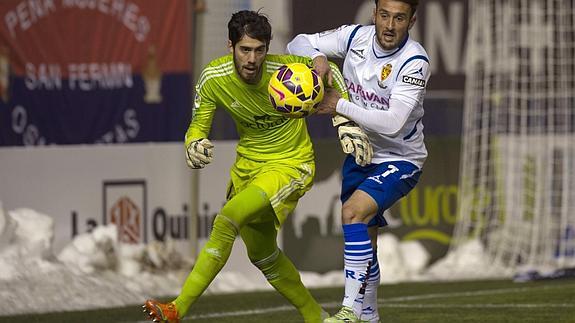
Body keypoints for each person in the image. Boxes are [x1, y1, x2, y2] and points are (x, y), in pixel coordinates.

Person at [142, 10, 368, 323]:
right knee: (262, 253)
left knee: (227, 219)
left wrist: (344, 120)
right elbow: (198, 125)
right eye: (245, 49)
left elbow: (331, 72)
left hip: (291, 165)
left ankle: (177, 308)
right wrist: (193, 143)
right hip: (247, 168)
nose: (252, 59)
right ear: (230, 46)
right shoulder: (213, 78)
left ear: (267, 49)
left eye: (259, 50)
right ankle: (316, 317)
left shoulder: (285, 69)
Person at [287, 0, 430, 322]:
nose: (390, 25)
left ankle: (349, 311)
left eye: (399, 18)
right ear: (374, 14)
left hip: (401, 159)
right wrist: (317, 58)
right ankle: (369, 316)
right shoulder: (355, 38)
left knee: (352, 214)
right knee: (367, 242)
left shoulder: (415, 61)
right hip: (360, 154)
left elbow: (393, 122)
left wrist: (339, 105)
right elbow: (297, 41)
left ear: (412, 21)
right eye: (384, 15)